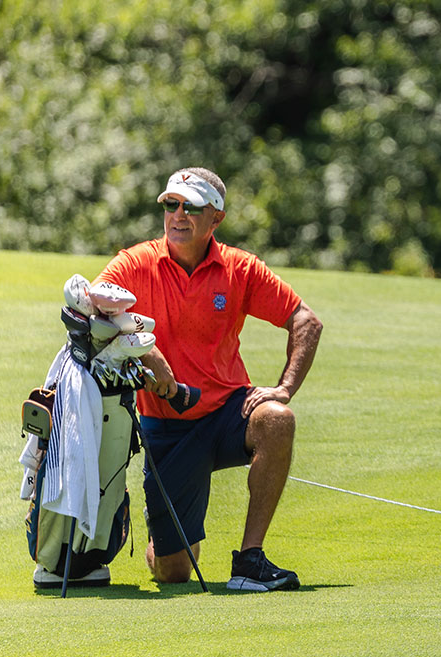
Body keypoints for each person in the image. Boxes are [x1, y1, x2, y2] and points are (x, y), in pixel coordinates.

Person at [96, 168, 323, 591]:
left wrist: (284, 388)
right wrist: (150, 353)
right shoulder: (136, 261)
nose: (178, 215)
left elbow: (306, 321)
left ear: (215, 218)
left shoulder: (240, 268)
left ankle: (250, 560)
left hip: (227, 412)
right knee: (175, 570)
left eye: (191, 207)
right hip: (169, 424)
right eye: (171, 204)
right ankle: (160, 536)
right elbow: (92, 305)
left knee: (277, 419)